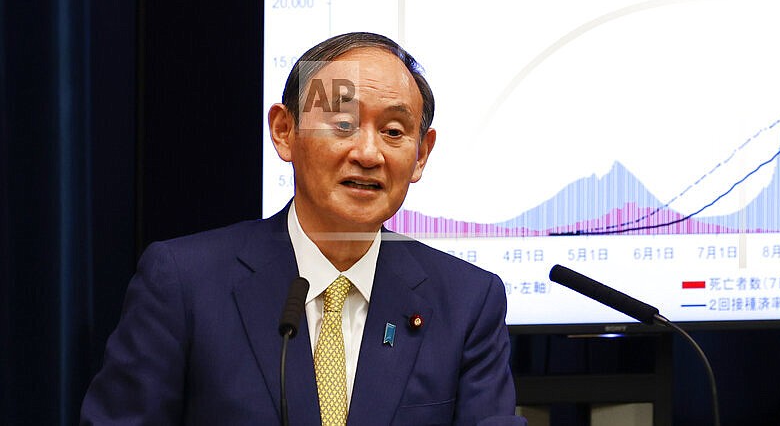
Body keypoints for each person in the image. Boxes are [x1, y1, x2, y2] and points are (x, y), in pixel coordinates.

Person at [81, 32, 525, 425]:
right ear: (283, 131)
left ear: (421, 154)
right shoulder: (184, 283)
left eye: (393, 131)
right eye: (343, 124)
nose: (368, 153)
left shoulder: (467, 301)